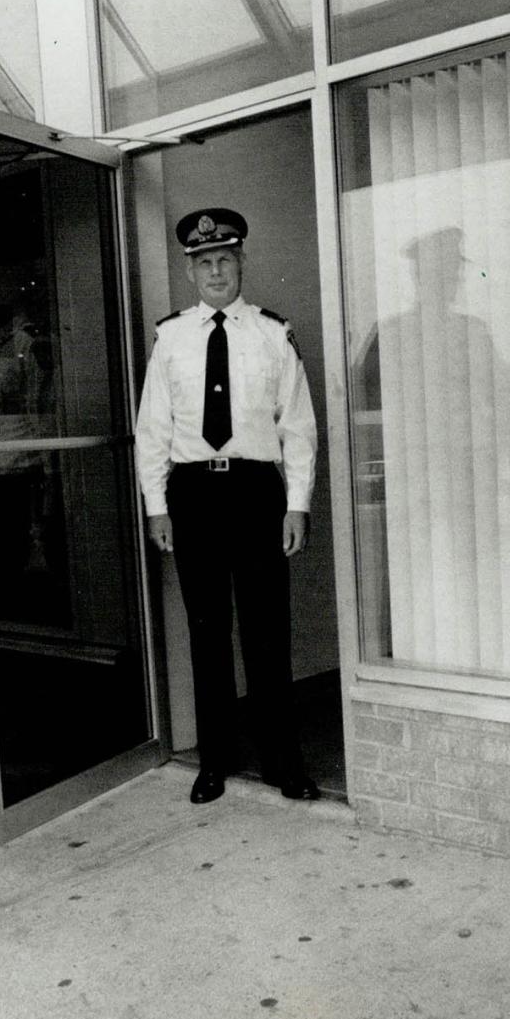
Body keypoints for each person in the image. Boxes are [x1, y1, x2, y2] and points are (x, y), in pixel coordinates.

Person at [134, 207, 320, 805]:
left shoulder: (272, 332)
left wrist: (297, 505)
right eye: (203, 262)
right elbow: (153, 429)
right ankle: (213, 761)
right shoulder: (171, 338)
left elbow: (299, 427)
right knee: (207, 631)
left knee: (268, 632)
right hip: (194, 496)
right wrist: (158, 507)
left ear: (241, 262)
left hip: (256, 491)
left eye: (224, 258)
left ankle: (282, 763)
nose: (215, 270)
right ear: (191, 272)